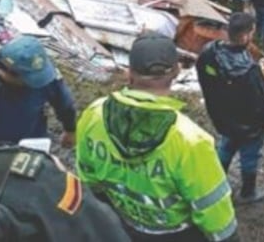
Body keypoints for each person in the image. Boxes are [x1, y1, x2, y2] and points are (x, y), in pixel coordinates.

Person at [0, 12, 129, 241]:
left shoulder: (46, 81)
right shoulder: (35, 189)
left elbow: (64, 103)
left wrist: (70, 129)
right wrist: (52, 180)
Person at [76, 33, 238, 242]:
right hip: (178, 234)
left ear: (129, 73)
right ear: (177, 72)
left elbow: (89, 181)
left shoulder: (94, 115)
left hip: (125, 225)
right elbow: (213, 210)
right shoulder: (190, 140)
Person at [196, 13, 264, 204]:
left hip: (222, 117)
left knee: (226, 146)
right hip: (249, 126)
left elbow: (205, 80)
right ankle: (248, 192)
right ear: (246, 36)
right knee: (249, 156)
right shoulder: (248, 70)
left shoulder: (209, 53)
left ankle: (215, 181)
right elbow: (261, 104)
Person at [0, 36, 76, 147]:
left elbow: (65, 104)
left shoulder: (45, 75)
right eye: (30, 79)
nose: (38, 83)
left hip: (30, 141)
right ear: (6, 72)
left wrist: (70, 130)